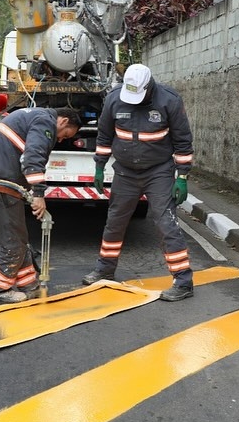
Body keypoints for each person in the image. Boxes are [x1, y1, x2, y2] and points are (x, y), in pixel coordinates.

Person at [82, 63, 195, 301]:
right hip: (125, 171)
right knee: (115, 221)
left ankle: (183, 281)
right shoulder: (115, 99)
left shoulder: (169, 100)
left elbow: (183, 141)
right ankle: (105, 270)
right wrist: (100, 166)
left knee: (166, 224)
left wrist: (182, 177)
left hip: (159, 171)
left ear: (148, 86)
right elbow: (104, 135)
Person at [0, 106, 82, 303]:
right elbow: (33, 156)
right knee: (13, 242)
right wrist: (39, 194)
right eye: (65, 135)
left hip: (1, 186)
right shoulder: (45, 122)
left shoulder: (34, 116)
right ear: (64, 121)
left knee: (19, 238)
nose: (60, 140)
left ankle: (28, 284)